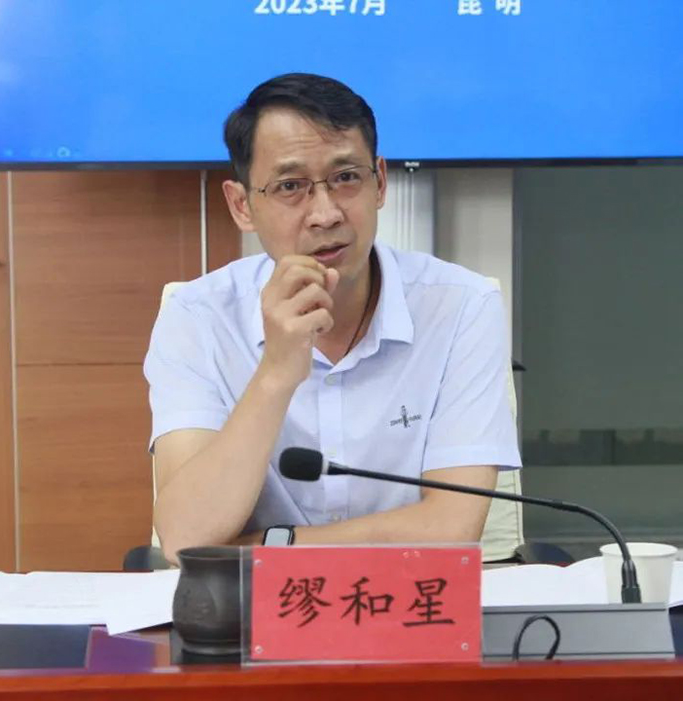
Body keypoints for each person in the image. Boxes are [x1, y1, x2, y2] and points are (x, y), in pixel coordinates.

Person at [144, 73, 521, 562]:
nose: (325, 214)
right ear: (242, 205)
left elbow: (452, 528)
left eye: (346, 178)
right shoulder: (197, 318)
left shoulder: (462, 307)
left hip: (407, 597)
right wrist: (277, 373)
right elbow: (187, 537)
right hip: (254, 606)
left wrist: (263, 546)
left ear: (379, 182)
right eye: (290, 186)